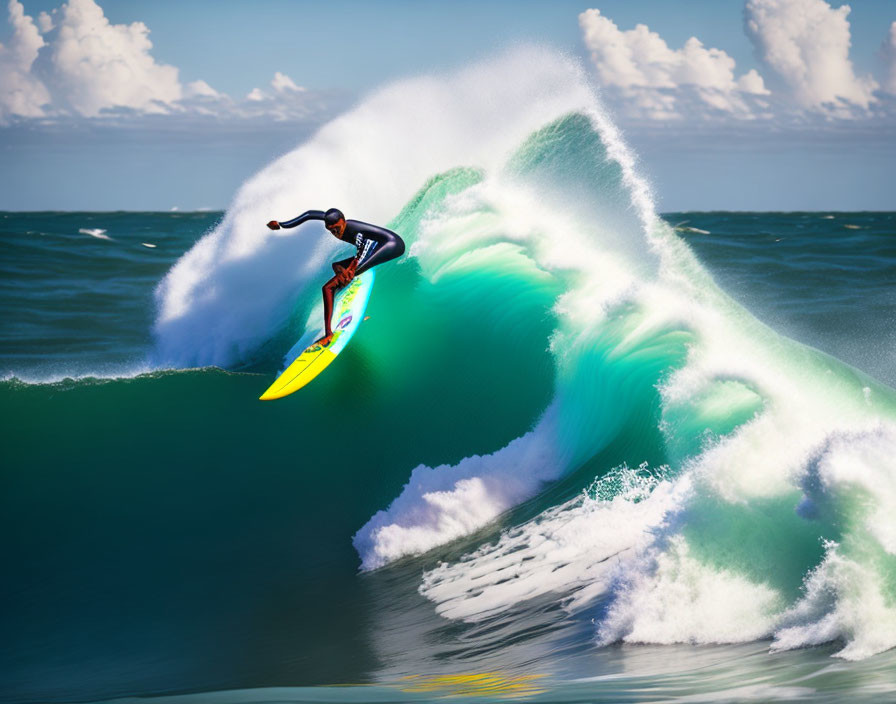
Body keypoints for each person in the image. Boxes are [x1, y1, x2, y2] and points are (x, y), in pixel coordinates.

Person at [267, 208, 405, 347]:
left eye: (338, 229)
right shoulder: (332, 220)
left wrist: (353, 268)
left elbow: (365, 248)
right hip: (377, 244)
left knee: (327, 288)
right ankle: (346, 287)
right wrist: (281, 224)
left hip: (391, 246)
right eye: (331, 230)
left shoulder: (356, 232)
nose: (336, 233)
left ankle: (328, 334)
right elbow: (309, 214)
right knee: (337, 266)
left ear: (344, 221)